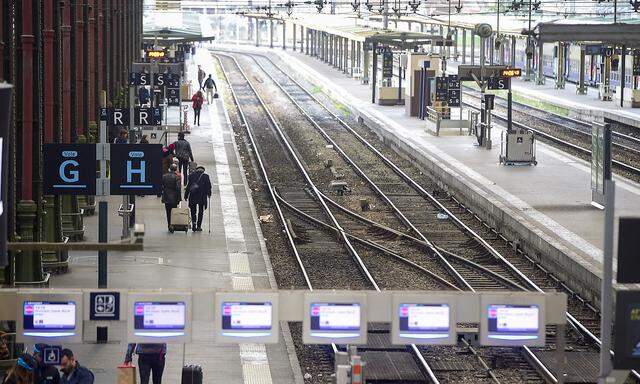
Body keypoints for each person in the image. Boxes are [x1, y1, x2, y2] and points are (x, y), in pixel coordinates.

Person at [185, 164, 212, 232]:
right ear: (203, 171)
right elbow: (208, 186)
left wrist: (186, 195)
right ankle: (199, 226)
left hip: (193, 195)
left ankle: (194, 223)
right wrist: (209, 194)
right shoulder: (206, 176)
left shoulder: (192, 176)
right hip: (202, 196)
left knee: (193, 210)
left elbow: (188, 186)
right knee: (200, 211)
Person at [161, 164, 181, 231]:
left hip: (166, 196)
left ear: (169, 168)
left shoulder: (164, 176)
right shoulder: (177, 177)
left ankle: (169, 225)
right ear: (175, 169)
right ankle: (172, 225)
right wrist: (179, 198)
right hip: (174, 197)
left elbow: (161, 186)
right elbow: (178, 188)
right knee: (173, 212)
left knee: (168, 212)